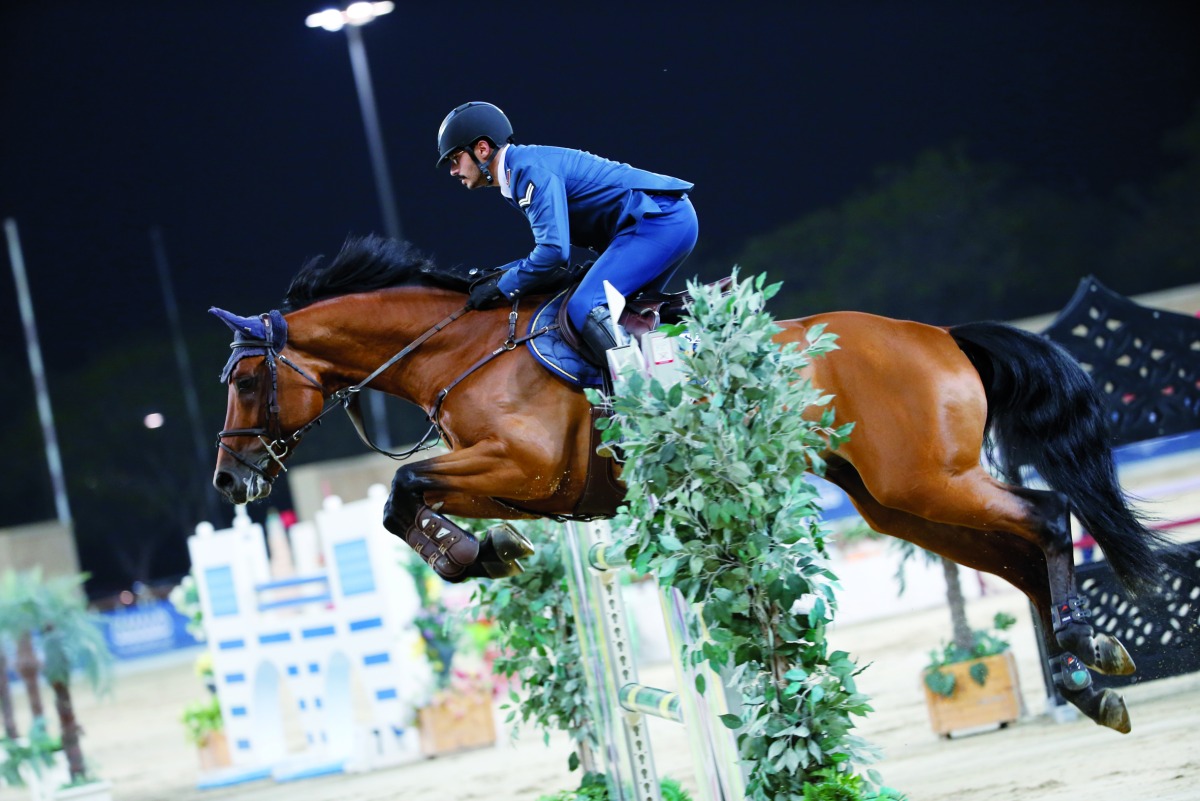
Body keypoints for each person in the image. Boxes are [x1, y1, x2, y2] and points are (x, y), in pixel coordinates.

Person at [436, 101, 699, 366]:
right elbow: (554, 257)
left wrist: (502, 285)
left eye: (455, 159)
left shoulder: (527, 172)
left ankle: (641, 393)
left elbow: (553, 253)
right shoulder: (517, 171)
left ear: (482, 149)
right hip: (659, 220)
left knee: (584, 306)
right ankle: (684, 356)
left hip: (659, 219)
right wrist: (498, 274)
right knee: (625, 310)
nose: (453, 170)